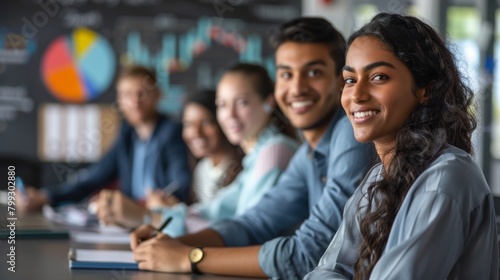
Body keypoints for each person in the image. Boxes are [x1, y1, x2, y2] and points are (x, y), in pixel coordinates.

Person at [129, 17, 376, 279]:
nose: (297, 87)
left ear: (341, 80)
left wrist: (191, 257)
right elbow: (253, 224)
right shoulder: (309, 152)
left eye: (313, 72)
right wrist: (177, 245)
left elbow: (309, 253)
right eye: (286, 74)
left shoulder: (350, 135)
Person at [304, 13, 499, 280]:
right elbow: (330, 270)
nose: (357, 95)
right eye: (350, 80)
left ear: (425, 90)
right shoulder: (377, 178)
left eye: (379, 77)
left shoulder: (444, 179)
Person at [20, 65, 192, 229]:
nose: (134, 101)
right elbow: (93, 177)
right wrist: (46, 196)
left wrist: (142, 205)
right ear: (119, 100)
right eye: (126, 95)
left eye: (142, 93)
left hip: (161, 223)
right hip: (130, 223)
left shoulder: (172, 132)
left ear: (157, 94)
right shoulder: (126, 135)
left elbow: (180, 185)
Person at [140, 63, 300, 236]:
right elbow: (216, 210)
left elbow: (246, 232)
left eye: (241, 102)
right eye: (222, 104)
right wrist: (167, 214)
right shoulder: (256, 156)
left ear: (268, 102)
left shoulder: (274, 151)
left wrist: (150, 217)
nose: (230, 114)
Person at [146, 89, 242, 209]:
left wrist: (176, 210)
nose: (196, 132)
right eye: (188, 124)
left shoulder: (241, 169)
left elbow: (223, 222)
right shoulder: (202, 169)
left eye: (206, 122)